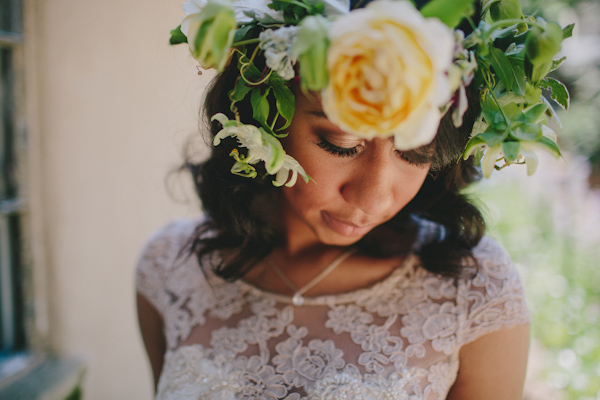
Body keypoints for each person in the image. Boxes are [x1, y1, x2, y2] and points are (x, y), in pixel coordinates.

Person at [136, 0, 569, 398]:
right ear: (263, 116)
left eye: (416, 153)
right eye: (341, 144)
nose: (376, 197)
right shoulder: (169, 270)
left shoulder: (475, 294)